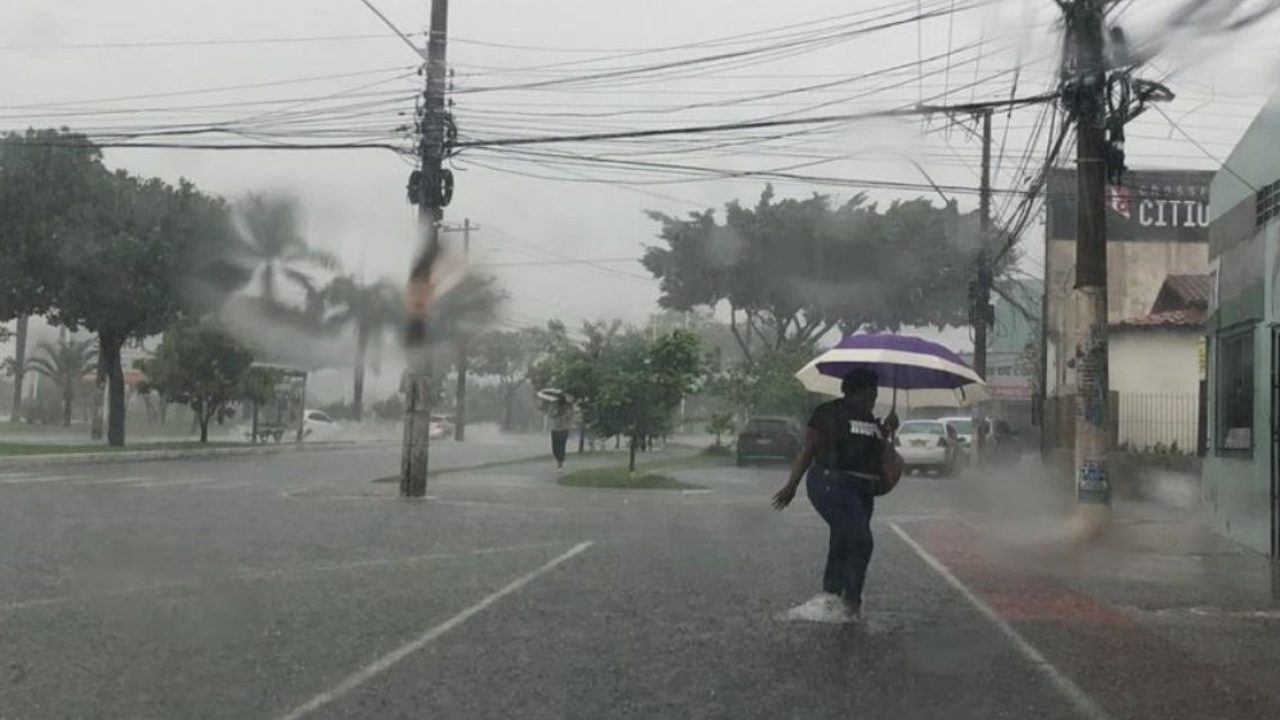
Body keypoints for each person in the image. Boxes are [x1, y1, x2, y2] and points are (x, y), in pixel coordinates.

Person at [772, 368, 897, 621]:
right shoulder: (828, 414)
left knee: (843, 537)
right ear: (851, 392)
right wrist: (791, 486)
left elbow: (881, 457)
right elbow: (808, 451)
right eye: (867, 396)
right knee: (861, 539)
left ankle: (831, 596)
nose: (871, 402)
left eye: (874, 398)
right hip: (831, 484)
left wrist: (888, 433)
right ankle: (851, 601)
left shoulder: (873, 422)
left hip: (862, 491)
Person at [547, 396, 574, 472]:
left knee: (561, 446)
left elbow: (570, 415)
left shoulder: (568, 405)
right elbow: (550, 414)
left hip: (564, 428)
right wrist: (554, 411)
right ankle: (558, 459)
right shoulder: (554, 404)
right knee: (555, 447)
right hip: (555, 428)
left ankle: (560, 463)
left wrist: (566, 414)